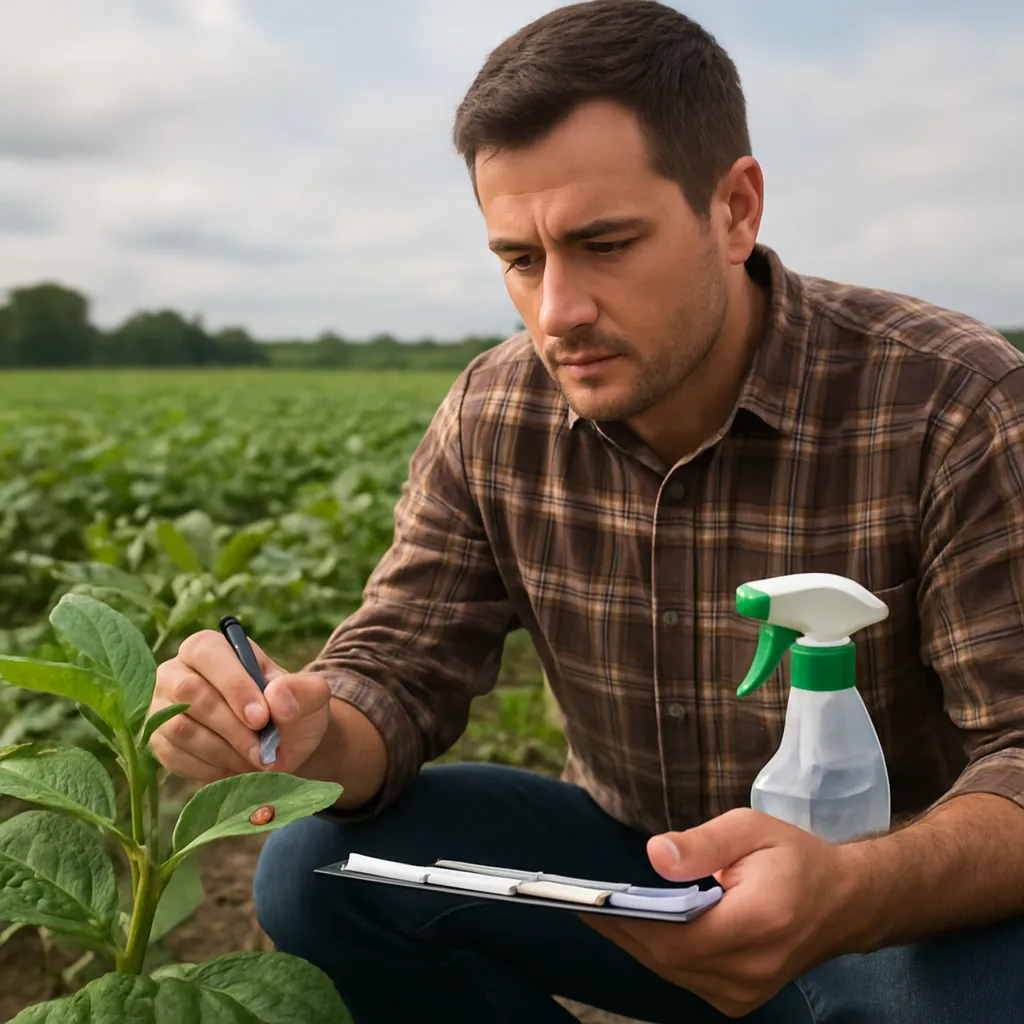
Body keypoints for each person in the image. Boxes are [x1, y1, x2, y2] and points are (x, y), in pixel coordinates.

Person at [149, 2, 1024, 1021]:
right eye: (520, 259)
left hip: (888, 908)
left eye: (605, 243)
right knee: (317, 867)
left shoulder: (950, 400)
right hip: (636, 880)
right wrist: (299, 733)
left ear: (734, 207)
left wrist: (853, 893)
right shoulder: (494, 411)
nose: (556, 310)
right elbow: (396, 671)